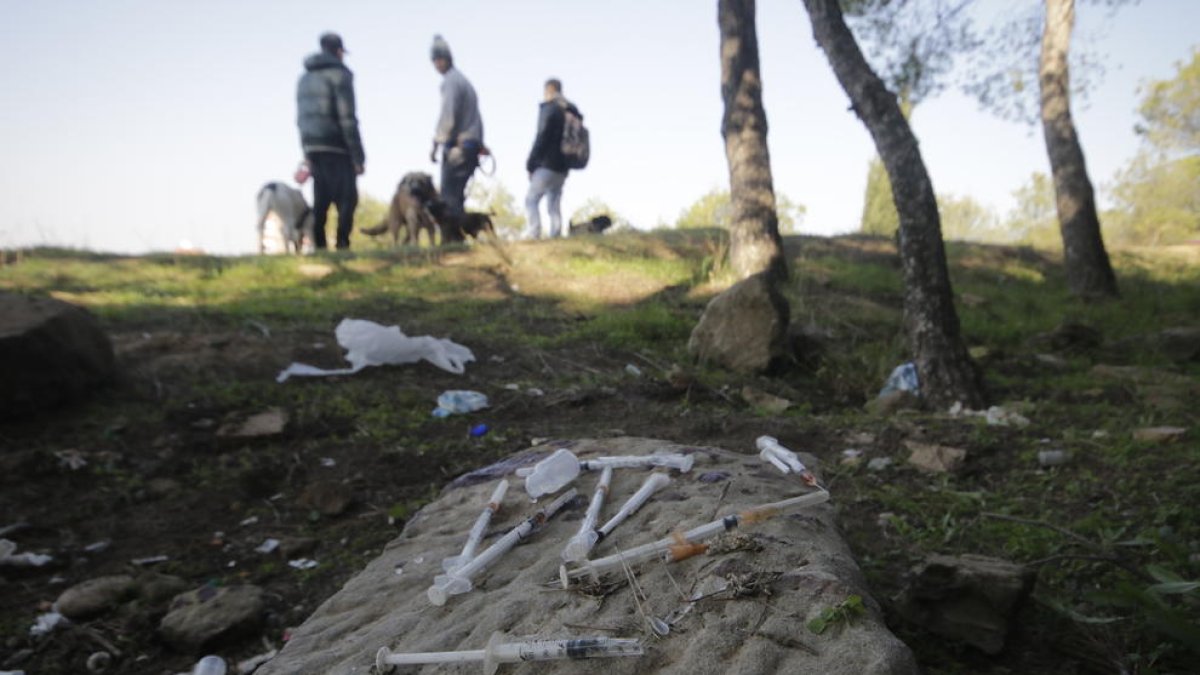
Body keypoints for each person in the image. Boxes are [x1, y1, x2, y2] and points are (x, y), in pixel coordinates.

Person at [296, 32, 365, 250]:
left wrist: (306, 152)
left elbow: (301, 119)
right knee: (347, 199)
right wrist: (358, 156)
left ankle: (320, 247)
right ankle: (342, 244)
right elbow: (347, 117)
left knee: (321, 200)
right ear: (339, 51)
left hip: (313, 147)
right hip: (338, 146)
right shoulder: (341, 75)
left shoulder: (304, 78)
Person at [429, 34, 484, 217]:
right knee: (457, 196)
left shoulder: (451, 82)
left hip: (459, 149)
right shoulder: (464, 81)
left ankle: (452, 240)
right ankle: (458, 237)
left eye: (438, 60)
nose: (436, 65)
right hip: (471, 146)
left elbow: (448, 117)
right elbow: (475, 118)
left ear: (444, 60)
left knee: (449, 198)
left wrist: (436, 143)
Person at [523, 79, 580, 239]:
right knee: (554, 204)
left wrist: (531, 164)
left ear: (548, 90)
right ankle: (555, 235)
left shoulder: (550, 108)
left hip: (546, 164)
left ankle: (534, 233)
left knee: (531, 200)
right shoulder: (571, 111)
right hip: (564, 166)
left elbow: (541, 136)